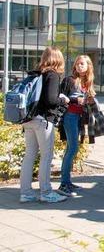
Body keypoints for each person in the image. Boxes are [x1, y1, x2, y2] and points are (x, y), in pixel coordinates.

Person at [19, 47, 69, 203]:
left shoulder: (36, 73)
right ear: (58, 60)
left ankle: (25, 193)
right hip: (43, 120)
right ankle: (46, 192)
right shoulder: (52, 75)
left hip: (29, 119)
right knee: (46, 157)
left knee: (29, 156)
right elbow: (51, 100)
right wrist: (63, 99)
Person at [58, 55, 96, 197]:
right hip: (69, 117)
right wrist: (76, 99)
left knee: (71, 148)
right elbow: (60, 96)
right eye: (78, 64)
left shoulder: (87, 83)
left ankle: (67, 182)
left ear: (88, 67)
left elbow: (86, 102)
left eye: (83, 64)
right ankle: (63, 184)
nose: (80, 66)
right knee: (72, 148)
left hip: (78, 118)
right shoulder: (70, 80)